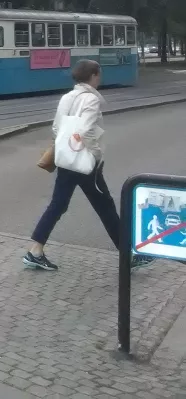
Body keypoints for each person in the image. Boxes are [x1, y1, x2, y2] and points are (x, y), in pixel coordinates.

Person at [24, 59, 152, 271]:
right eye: (99, 74)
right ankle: (128, 255)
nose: (100, 79)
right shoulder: (91, 99)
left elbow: (57, 127)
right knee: (105, 206)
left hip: (66, 159)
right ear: (93, 75)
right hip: (85, 163)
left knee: (58, 204)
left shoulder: (67, 97)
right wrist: (95, 153)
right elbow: (84, 130)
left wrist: (68, 147)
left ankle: (35, 250)